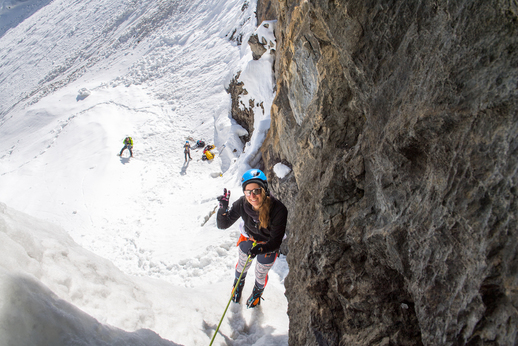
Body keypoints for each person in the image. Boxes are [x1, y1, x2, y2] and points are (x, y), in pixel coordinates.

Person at [216, 169, 288, 308]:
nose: (252, 196)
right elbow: (223, 225)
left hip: (268, 245)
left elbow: (276, 241)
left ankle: (256, 293)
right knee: (242, 266)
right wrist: (223, 210)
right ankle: (237, 285)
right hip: (248, 238)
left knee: (260, 274)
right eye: (248, 191)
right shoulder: (242, 203)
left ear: (265, 189)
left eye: (256, 190)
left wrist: (261, 248)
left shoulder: (278, 209)